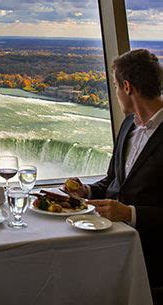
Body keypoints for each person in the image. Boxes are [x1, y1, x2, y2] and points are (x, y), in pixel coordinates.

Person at [65, 49, 163, 291]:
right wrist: (85, 190)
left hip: (153, 260)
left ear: (127, 87)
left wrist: (130, 214)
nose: (116, 93)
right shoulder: (128, 124)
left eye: (117, 87)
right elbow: (114, 181)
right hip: (111, 247)